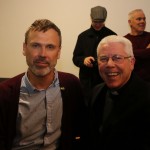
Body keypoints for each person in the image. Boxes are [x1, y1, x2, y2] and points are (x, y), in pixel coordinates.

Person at [0, 19, 88, 150]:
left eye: (50, 47)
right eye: (35, 45)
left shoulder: (72, 85)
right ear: (24, 48)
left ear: (58, 52)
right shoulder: (4, 93)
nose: (42, 54)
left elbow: (82, 129)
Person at [89, 35, 150, 150]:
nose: (110, 64)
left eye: (117, 58)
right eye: (103, 59)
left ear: (132, 63)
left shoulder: (146, 96)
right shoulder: (96, 91)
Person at [72, 6, 117, 106]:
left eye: (100, 22)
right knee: (87, 110)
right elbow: (75, 58)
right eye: (95, 21)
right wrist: (84, 60)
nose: (97, 24)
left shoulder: (112, 36)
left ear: (105, 20)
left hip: (106, 80)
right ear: (90, 18)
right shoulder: (82, 36)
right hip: (87, 83)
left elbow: (116, 58)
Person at [124, 9, 150, 82]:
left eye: (144, 19)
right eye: (139, 19)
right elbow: (125, 59)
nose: (142, 21)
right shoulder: (124, 40)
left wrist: (132, 52)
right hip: (132, 83)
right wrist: (146, 51)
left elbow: (130, 56)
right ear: (130, 22)